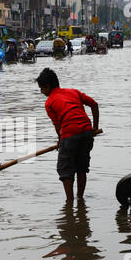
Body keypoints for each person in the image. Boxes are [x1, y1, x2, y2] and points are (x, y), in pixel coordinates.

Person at [36, 68, 100, 202]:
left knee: (65, 170)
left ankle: (69, 203)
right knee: (81, 168)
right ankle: (80, 199)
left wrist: (60, 141)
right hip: (86, 132)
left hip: (69, 135)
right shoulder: (73, 92)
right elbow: (94, 105)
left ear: (47, 86)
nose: (41, 92)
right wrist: (94, 128)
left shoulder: (49, 103)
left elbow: (58, 126)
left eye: (41, 88)